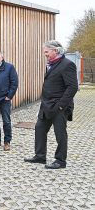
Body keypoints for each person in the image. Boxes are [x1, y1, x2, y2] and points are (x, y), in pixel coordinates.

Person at [24, 40, 78, 169]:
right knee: (39, 128)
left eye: (47, 51)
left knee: (60, 134)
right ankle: (40, 156)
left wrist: (60, 105)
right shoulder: (51, 64)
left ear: (56, 50)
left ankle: (60, 161)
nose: (45, 54)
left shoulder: (67, 64)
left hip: (59, 107)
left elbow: (72, 87)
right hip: (46, 105)